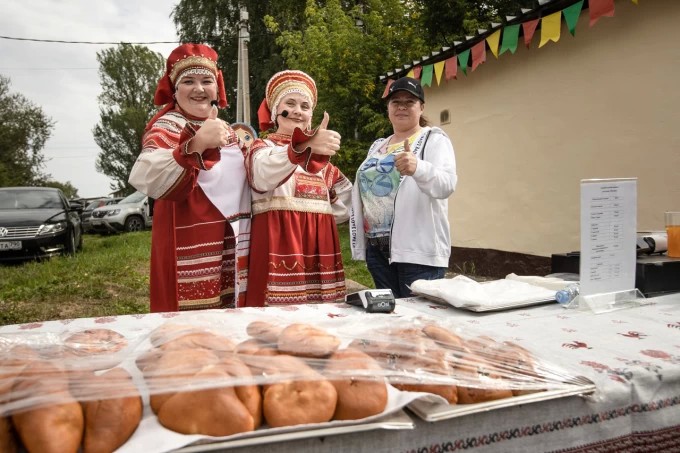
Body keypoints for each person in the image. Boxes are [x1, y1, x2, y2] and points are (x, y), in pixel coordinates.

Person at [129, 43, 250, 312]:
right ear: (174, 90)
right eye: (189, 81)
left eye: (207, 80)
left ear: (217, 89)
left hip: (228, 236)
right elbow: (145, 173)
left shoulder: (228, 130)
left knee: (228, 311)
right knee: (188, 323)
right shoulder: (167, 124)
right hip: (186, 233)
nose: (199, 89)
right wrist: (193, 146)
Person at [245, 70, 352, 306]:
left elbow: (346, 208)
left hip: (318, 248)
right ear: (275, 112)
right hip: (278, 245)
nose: (297, 110)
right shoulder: (263, 148)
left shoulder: (322, 161)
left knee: (321, 322)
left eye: (305, 106)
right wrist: (302, 147)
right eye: (290, 103)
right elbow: (262, 176)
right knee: (276, 325)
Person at [349, 77, 457, 298]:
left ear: (421, 107)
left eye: (409, 101)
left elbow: (447, 185)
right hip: (378, 250)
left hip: (416, 251)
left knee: (420, 322)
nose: (402, 106)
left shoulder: (433, 139)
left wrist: (418, 167)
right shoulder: (378, 145)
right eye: (395, 101)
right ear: (388, 108)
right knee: (393, 320)